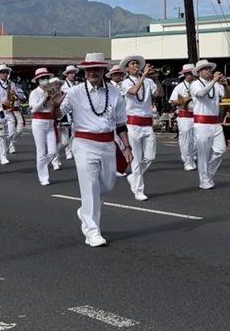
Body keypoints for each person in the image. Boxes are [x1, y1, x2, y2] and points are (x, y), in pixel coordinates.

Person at [57, 52, 132, 247]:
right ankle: (92, 231)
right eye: (89, 69)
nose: (93, 72)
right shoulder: (74, 92)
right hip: (83, 143)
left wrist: (126, 147)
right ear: (84, 71)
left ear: (103, 71)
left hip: (108, 144)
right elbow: (58, 113)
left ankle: (85, 211)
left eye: (97, 69)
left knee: (107, 185)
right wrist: (54, 103)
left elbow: (121, 123)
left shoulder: (115, 92)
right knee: (90, 187)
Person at [120, 55, 163, 201]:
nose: (136, 66)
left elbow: (160, 94)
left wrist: (155, 78)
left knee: (150, 156)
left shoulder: (149, 81)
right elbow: (132, 92)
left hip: (147, 124)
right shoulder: (125, 82)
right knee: (136, 160)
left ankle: (133, 176)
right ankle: (138, 190)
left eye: (138, 64)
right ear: (127, 68)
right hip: (132, 125)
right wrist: (144, 75)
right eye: (133, 64)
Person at [190, 59, 228, 189]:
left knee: (221, 150)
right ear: (199, 72)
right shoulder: (195, 84)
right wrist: (214, 81)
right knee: (204, 154)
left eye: (209, 69)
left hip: (215, 123)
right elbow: (201, 94)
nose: (208, 71)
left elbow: (226, 95)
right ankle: (204, 180)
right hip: (202, 123)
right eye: (205, 69)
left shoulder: (216, 84)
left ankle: (208, 174)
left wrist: (225, 83)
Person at [28, 68, 58, 186]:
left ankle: (41, 165)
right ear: (38, 80)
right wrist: (44, 98)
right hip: (39, 122)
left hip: (50, 121)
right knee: (41, 152)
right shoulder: (34, 93)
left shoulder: (52, 91)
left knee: (52, 151)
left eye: (47, 78)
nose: (45, 80)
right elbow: (34, 109)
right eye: (42, 78)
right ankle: (43, 177)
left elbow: (55, 106)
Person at [0, 64, 25, 155]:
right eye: (3, 72)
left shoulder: (12, 84)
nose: (5, 74)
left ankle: (8, 147)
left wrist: (14, 95)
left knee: (12, 132)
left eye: (6, 72)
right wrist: (1, 103)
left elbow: (19, 97)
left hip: (9, 111)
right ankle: (0, 150)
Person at [169, 63, 196, 171]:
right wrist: (180, 101)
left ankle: (191, 157)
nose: (193, 76)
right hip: (184, 115)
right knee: (185, 139)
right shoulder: (179, 87)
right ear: (185, 75)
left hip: (197, 115)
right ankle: (187, 160)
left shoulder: (197, 85)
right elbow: (172, 101)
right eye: (190, 74)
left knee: (197, 139)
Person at [52, 65, 78, 168]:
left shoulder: (76, 85)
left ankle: (69, 151)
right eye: (71, 73)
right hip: (62, 112)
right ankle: (56, 158)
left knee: (71, 136)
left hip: (74, 112)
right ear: (67, 74)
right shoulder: (63, 87)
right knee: (59, 138)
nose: (73, 74)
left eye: (74, 72)